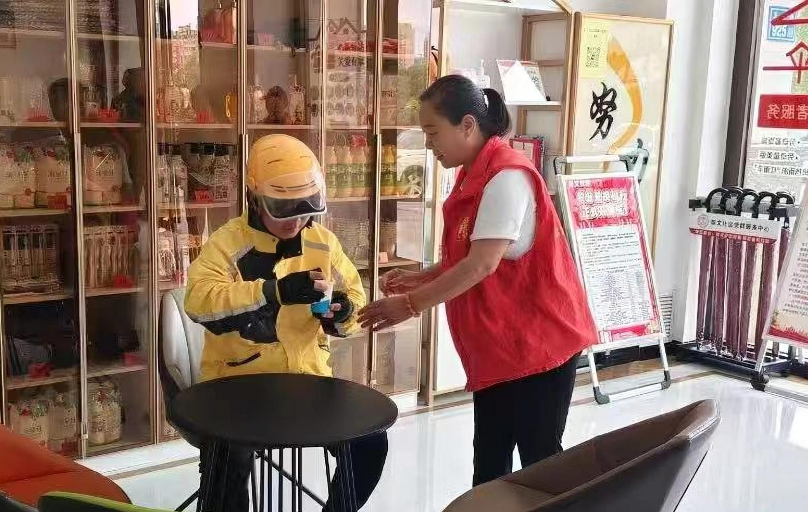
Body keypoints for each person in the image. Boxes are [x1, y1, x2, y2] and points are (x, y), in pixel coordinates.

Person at [358, 75, 597, 486]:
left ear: (467, 125)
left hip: (539, 343)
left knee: (540, 463)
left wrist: (411, 304)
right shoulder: (473, 172)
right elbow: (470, 255)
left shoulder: (507, 176)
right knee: (489, 460)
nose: (429, 144)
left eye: (433, 132)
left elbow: (481, 265)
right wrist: (422, 276)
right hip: (502, 347)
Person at [184, 134, 387, 512]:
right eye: (283, 208)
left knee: (370, 443)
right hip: (238, 386)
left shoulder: (323, 242)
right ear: (254, 198)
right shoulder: (227, 244)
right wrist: (272, 292)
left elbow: (355, 304)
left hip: (308, 382)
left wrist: (341, 314)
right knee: (227, 461)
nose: (296, 220)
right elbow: (199, 303)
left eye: (305, 207)